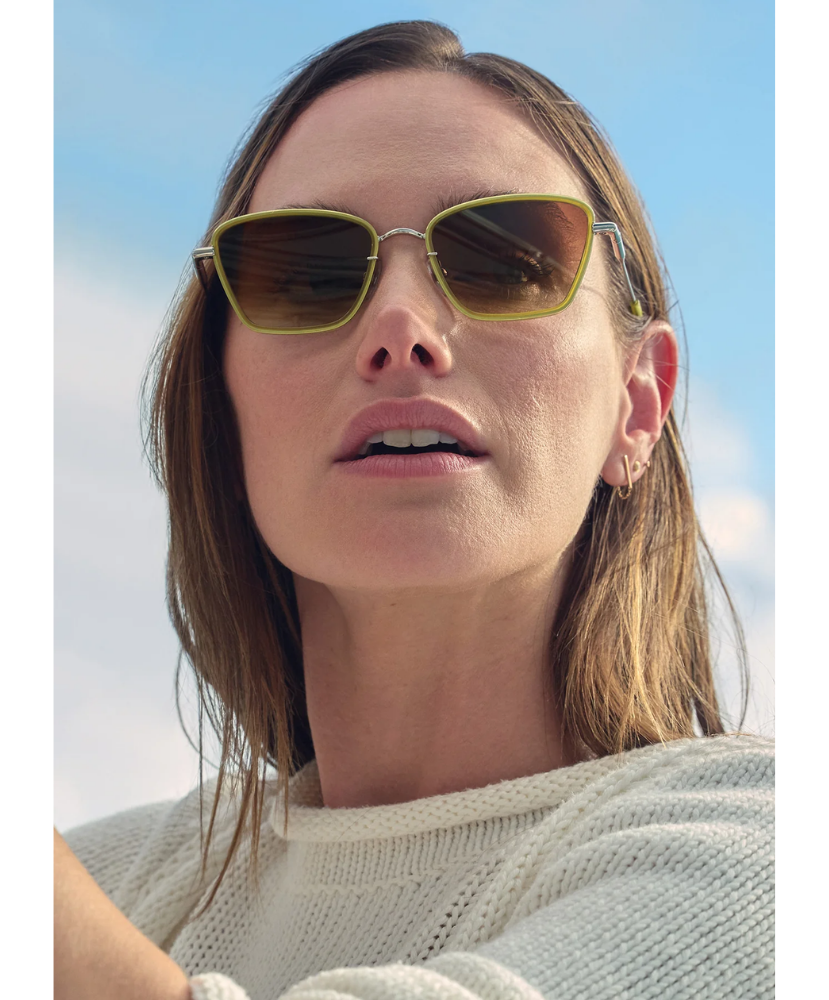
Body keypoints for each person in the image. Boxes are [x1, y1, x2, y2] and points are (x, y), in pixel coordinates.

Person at [53, 20, 775, 1000]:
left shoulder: (747, 847)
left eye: (505, 256)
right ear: (221, 410)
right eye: (305, 271)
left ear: (638, 400)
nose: (401, 330)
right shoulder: (110, 882)